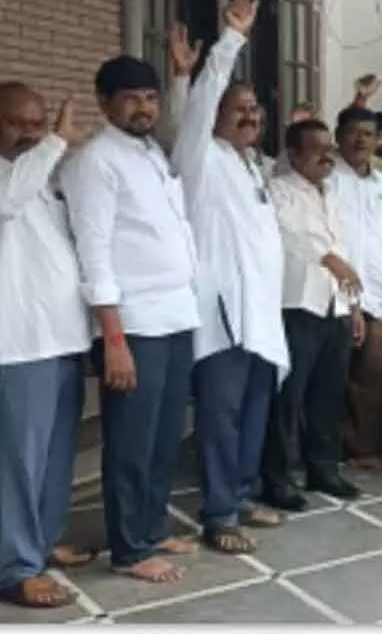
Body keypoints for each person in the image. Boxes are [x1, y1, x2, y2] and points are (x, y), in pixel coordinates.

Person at [61, 54, 201, 583]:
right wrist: (113, 336)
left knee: (167, 435)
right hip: (135, 324)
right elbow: (94, 253)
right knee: (132, 441)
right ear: (105, 103)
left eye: (150, 98)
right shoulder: (95, 161)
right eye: (131, 98)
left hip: (174, 316)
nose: (144, 108)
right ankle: (129, 548)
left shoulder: (149, 153)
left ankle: (152, 524)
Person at [170, 0, 291, 553]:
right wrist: (229, 42)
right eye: (239, 109)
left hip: (260, 317)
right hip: (221, 317)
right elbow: (195, 109)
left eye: (256, 111)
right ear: (215, 110)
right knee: (220, 420)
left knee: (252, 414)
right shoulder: (202, 157)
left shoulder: (252, 166)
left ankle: (239, 498)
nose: (250, 116)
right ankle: (219, 514)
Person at [0, 86, 90, 608]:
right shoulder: (12, 179)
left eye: (38, 123)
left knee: (56, 457)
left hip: (62, 340)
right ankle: (14, 567)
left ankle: (41, 541)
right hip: (18, 345)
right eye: (18, 123)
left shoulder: (40, 181)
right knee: (18, 462)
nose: (31, 132)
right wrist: (56, 141)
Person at [260, 119, 366, 512]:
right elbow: (290, 235)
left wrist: (353, 307)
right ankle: (279, 478)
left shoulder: (330, 195)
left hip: (333, 306)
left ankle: (324, 468)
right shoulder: (278, 191)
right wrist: (328, 258)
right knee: (289, 398)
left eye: (329, 149)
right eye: (316, 149)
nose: (326, 156)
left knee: (328, 396)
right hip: (296, 307)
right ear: (293, 154)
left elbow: (345, 249)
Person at [328, 106, 382, 472]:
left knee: (372, 378)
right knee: (332, 379)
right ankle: (329, 451)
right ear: (339, 136)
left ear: (378, 141)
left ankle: (366, 449)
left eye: (368, 134)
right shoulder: (327, 180)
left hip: (375, 297)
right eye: (354, 132)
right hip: (332, 297)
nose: (361, 140)